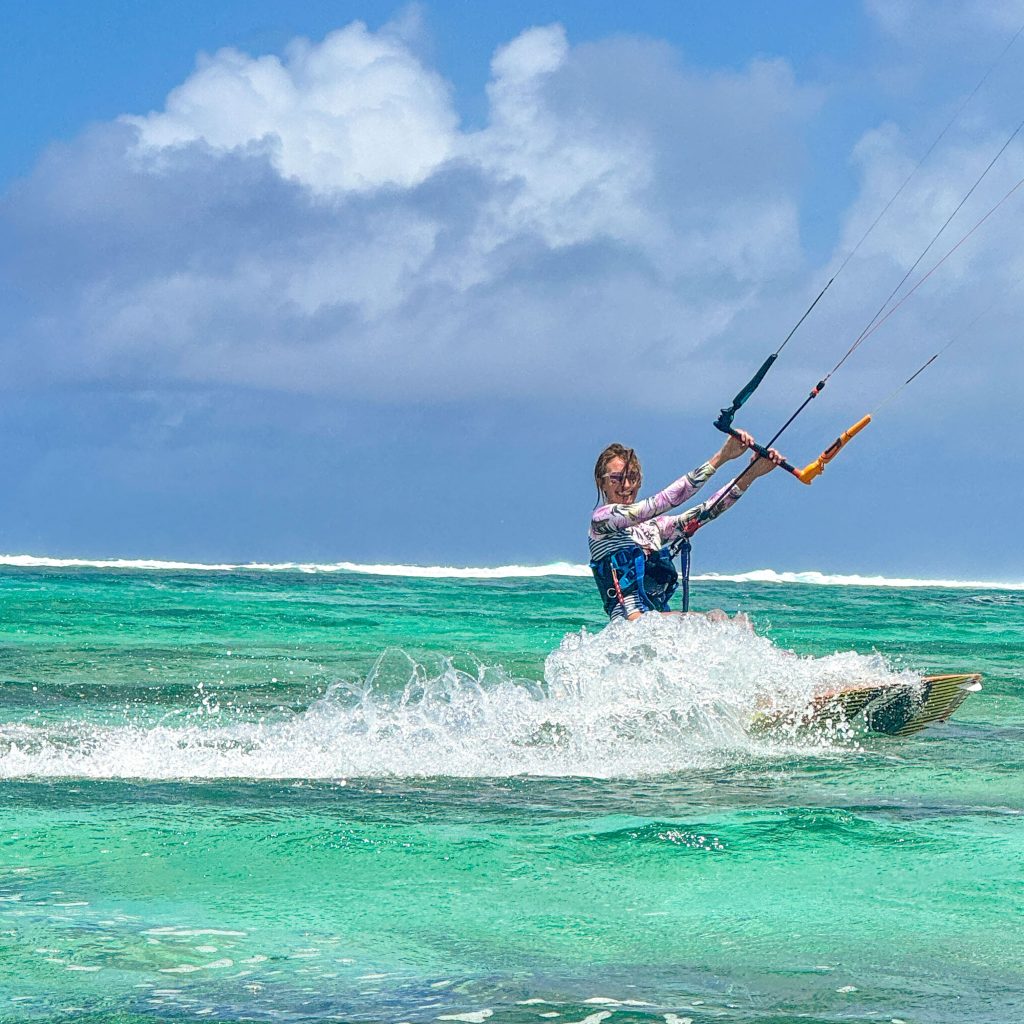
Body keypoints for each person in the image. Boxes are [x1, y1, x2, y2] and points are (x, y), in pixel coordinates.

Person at [589, 433, 783, 621]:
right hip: (631, 626)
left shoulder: (653, 529)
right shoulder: (602, 521)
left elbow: (707, 512)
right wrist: (722, 457)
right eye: (616, 478)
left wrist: (751, 474)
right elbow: (663, 502)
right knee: (717, 619)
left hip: (657, 623)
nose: (626, 484)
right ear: (602, 482)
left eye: (633, 477)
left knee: (739, 622)